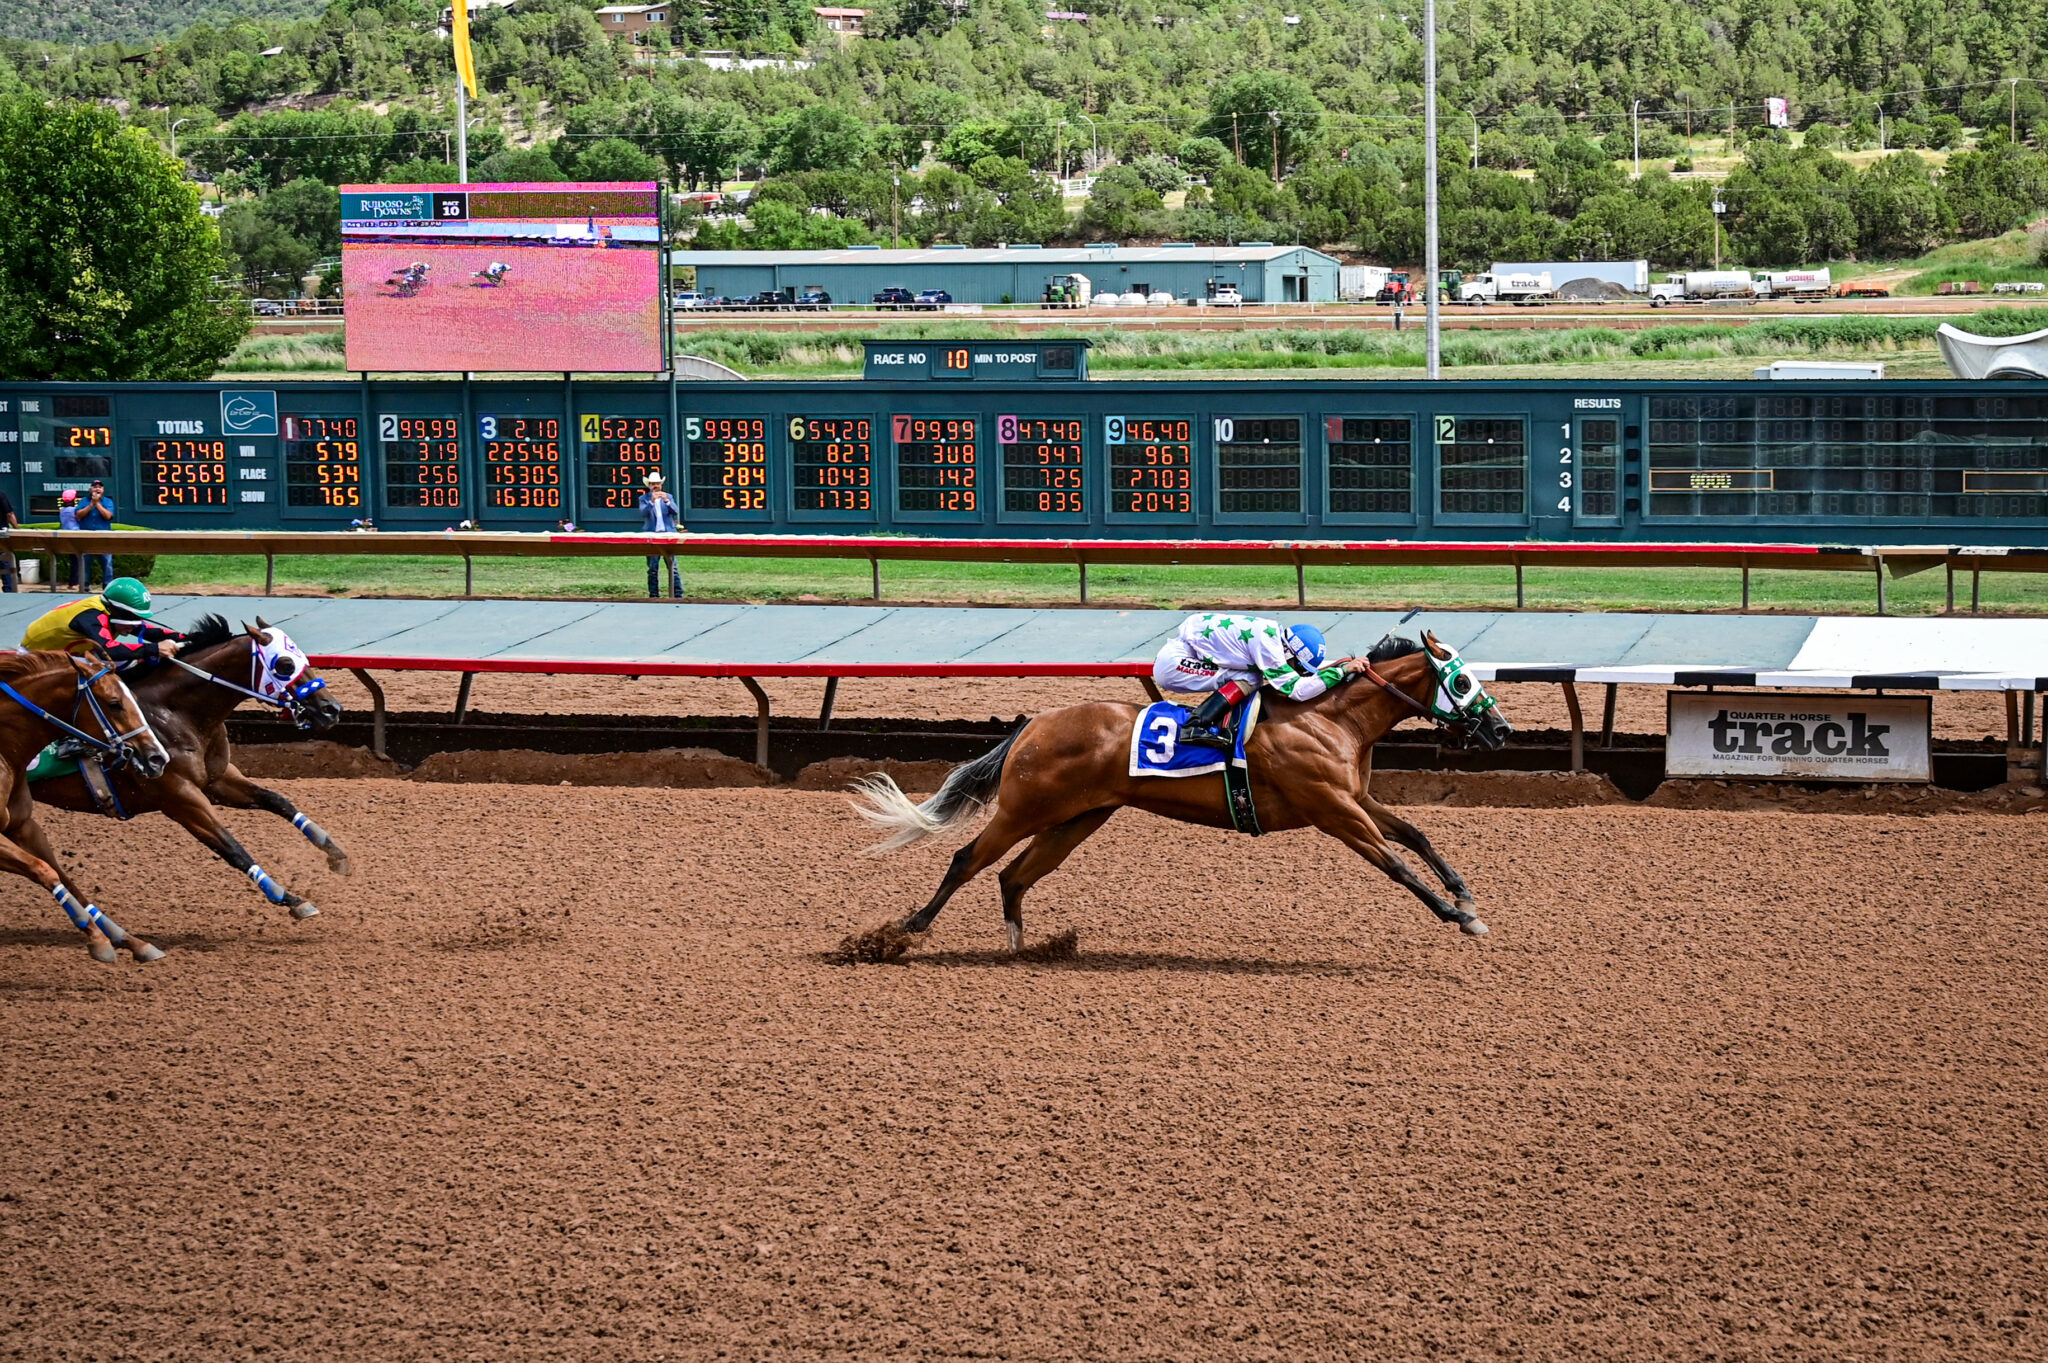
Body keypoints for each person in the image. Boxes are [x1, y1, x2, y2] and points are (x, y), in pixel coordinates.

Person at [1153, 612, 1353, 748]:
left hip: (1185, 652)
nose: (1299, 672)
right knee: (1249, 678)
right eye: (1299, 666)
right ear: (1291, 652)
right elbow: (1297, 691)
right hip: (1173, 665)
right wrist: (1341, 672)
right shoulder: (1269, 648)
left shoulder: (1273, 635)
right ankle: (1195, 726)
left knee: (1250, 677)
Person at [21, 577, 186, 672]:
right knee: (112, 667)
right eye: (129, 620)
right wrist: (155, 649)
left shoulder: (111, 610)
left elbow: (149, 631)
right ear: (114, 610)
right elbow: (111, 650)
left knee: (129, 660)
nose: (131, 628)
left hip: (72, 652)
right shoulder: (91, 617)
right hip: (35, 659)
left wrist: (188, 637)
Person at [637, 472, 682, 599]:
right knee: (652, 568)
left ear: (661, 484)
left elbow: (675, 511)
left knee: (673, 567)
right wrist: (651, 502)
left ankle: (678, 594)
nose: (655, 486)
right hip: (652, 536)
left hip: (668, 535)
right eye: (652, 484)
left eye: (657, 483)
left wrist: (667, 501)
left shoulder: (669, 496)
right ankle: (654, 594)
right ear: (649, 485)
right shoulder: (643, 499)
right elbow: (643, 513)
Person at [78, 479, 116, 590]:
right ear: (90, 489)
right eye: (95, 486)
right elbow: (78, 515)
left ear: (103, 490)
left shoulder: (108, 502)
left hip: (103, 538)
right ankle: (84, 585)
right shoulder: (84, 501)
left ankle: (108, 586)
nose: (97, 488)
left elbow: (108, 516)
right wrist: (91, 505)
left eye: (100, 487)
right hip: (86, 538)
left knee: (107, 562)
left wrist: (97, 504)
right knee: (85, 562)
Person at [0, 482, 17, 592]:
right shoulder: (1, 495)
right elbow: (9, 514)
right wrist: (17, 529)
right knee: (5, 561)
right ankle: (9, 589)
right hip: (2, 533)